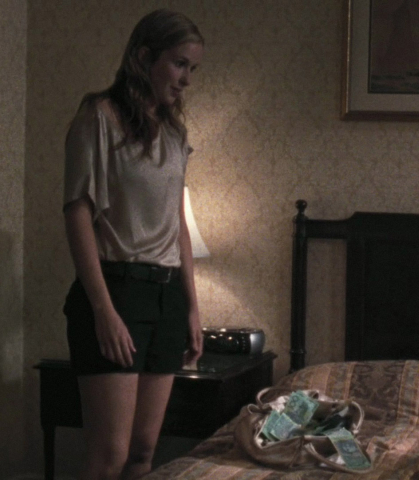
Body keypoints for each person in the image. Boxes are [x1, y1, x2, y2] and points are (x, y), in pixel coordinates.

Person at [62, 9, 205, 480]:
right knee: (110, 455)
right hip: (117, 288)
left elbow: (177, 224)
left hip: (167, 296)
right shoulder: (99, 117)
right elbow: (77, 213)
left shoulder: (175, 133)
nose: (186, 80)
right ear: (144, 57)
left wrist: (191, 308)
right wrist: (103, 310)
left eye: (192, 69)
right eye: (179, 64)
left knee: (143, 453)